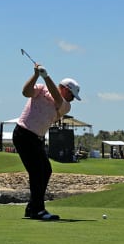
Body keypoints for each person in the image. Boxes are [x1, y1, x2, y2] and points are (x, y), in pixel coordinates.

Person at [14, 62, 81, 220]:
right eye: (71, 95)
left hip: (36, 138)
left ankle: (33, 208)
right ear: (65, 89)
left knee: (45, 170)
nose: (72, 99)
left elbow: (57, 99)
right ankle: (37, 209)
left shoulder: (65, 106)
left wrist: (46, 76)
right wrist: (37, 75)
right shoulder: (41, 89)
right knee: (38, 171)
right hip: (23, 134)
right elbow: (25, 92)